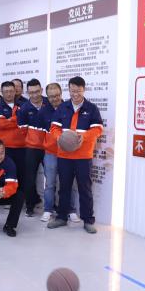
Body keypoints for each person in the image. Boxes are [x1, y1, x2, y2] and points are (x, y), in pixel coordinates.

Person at [48, 76, 103, 234]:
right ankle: (61, 217)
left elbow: (98, 129)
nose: (75, 94)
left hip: (83, 156)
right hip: (64, 155)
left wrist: (83, 137)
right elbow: (54, 127)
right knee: (64, 187)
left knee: (85, 188)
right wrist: (59, 137)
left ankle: (88, 220)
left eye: (78, 91)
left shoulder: (91, 108)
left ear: (84, 90)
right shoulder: (62, 107)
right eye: (72, 91)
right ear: (69, 90)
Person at [39, 83, 79, 223]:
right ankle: (48, 209)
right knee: (50, 183)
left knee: (69, 183)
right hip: (50, 153)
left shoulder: (69, 108)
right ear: (47, 96)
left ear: (61, 93)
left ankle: (71, 210)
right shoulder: (43, 111)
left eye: (57, 95)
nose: (54, 99)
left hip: (67, 153)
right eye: (51, 96)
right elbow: (42, 133)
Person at [18, 78, 46, 216]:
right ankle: (30, 206)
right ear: (27, 93)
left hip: (48, 148)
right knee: (29, 178)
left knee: (53, 178)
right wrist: (32, 140)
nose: (34, 95)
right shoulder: (24, 108)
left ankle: (54, 205)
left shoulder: (49, 103)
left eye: (37, 91)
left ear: (41, 90)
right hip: (31, 148)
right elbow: (22, 130)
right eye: (31, 92)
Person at [0, 81, 26, 179]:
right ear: (2, 93)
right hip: (5, 147)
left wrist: (10, 120)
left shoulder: (23, 105)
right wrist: (17, 118)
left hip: (22, 146)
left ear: (15, 91)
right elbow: (2, 124)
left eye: (11, 91)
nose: (9, 94)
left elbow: (26, 122)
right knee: (6, 175)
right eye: (6, 91)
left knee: (21, 175)